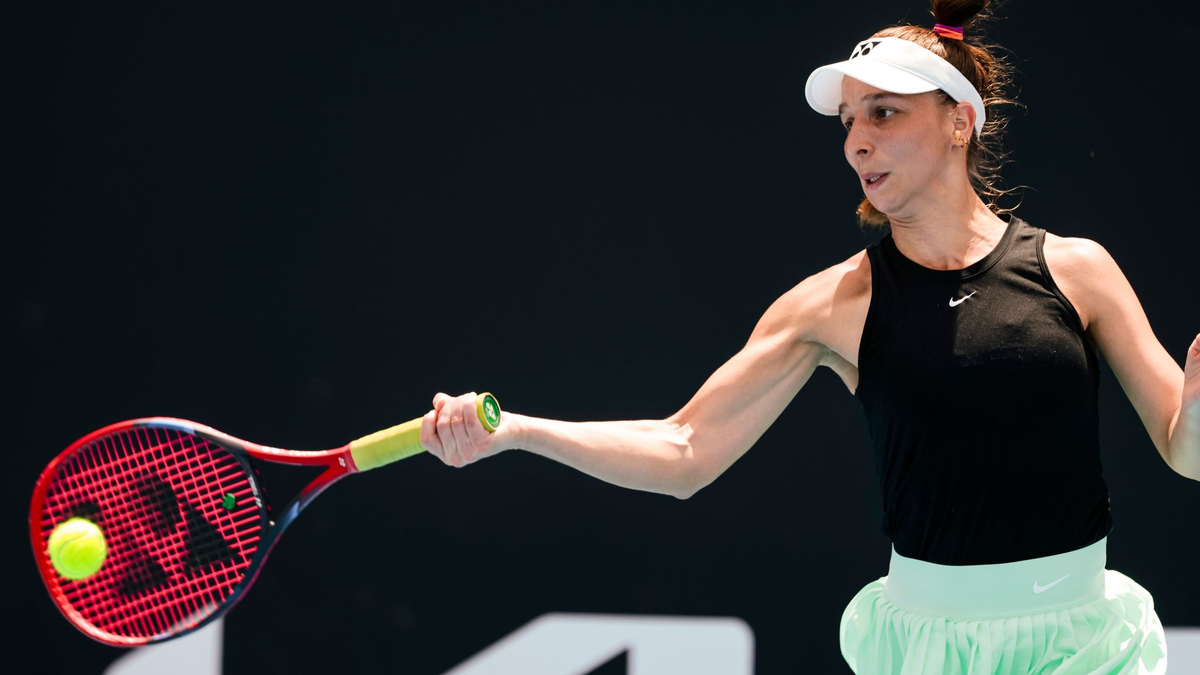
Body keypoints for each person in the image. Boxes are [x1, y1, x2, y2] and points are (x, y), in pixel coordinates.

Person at [416, 0, 1199, 672]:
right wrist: (516, 430)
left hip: (1084, 643)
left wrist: (1196, 405)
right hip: (927, 647)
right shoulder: (833, 304)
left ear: (959, 121)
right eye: (849, 121)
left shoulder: (1077, 270)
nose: (857, 141)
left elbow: (1185, 448)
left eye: (884, 113)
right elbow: (685, 449)